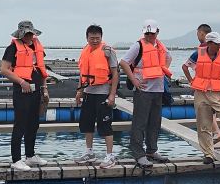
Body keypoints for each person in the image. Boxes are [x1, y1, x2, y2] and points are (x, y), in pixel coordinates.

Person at [119, 20, 173, 168]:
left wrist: (163, 71)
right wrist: (134, 80)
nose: (149, 36)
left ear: (157, 32)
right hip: (143, 90)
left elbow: (168, 58)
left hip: (158, 89)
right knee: (140, 122)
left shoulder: (161, 46)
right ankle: (138, 153)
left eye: (152, 33)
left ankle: (151, 150)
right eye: (147, 33)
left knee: (155, 122)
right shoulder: (138, 45)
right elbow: (123, 62)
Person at [182, 32, 220, 164]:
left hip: (218, 94)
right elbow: (185, 66)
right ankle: (208, 153)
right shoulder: (197, 54)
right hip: (201, 93)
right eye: (217, 43)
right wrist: (191, 81)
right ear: (209, 44)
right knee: (204, 124)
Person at [0, 21, 49, 171]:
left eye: (30, 33)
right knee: (20, 124)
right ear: (20, 34)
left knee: (33, 123)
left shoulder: (36, 47)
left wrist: (45, 89)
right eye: (26, 34)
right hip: (22, 91)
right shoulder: (12, 48)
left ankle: (30, 156)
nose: (29, 36)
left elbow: (42, 69)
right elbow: (4, 69)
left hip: (37, 90)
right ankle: (16, 159)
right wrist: (21, 82)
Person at [73, 25, 119, 168]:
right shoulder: (84, 51)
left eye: (97, 38)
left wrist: (112, 95)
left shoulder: (108, 51)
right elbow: (82, 74)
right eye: (91, 38)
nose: (94, 41)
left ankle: (110, 156)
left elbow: (115, 73)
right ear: (87, 38)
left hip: (103, 93)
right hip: (88, 92)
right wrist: (79, 91)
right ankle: (89, 153)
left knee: (105, 124)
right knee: (86, 124)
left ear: (101, 37)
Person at [194, 24, 220, 144]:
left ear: (202, 33)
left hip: (206, 87)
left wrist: (192, 80)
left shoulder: (203, 49)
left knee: (207, 113)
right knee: (212, 112)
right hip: (217, 86)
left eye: (198, 34)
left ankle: (217, 133)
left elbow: (188, 66)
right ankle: (217, 132)